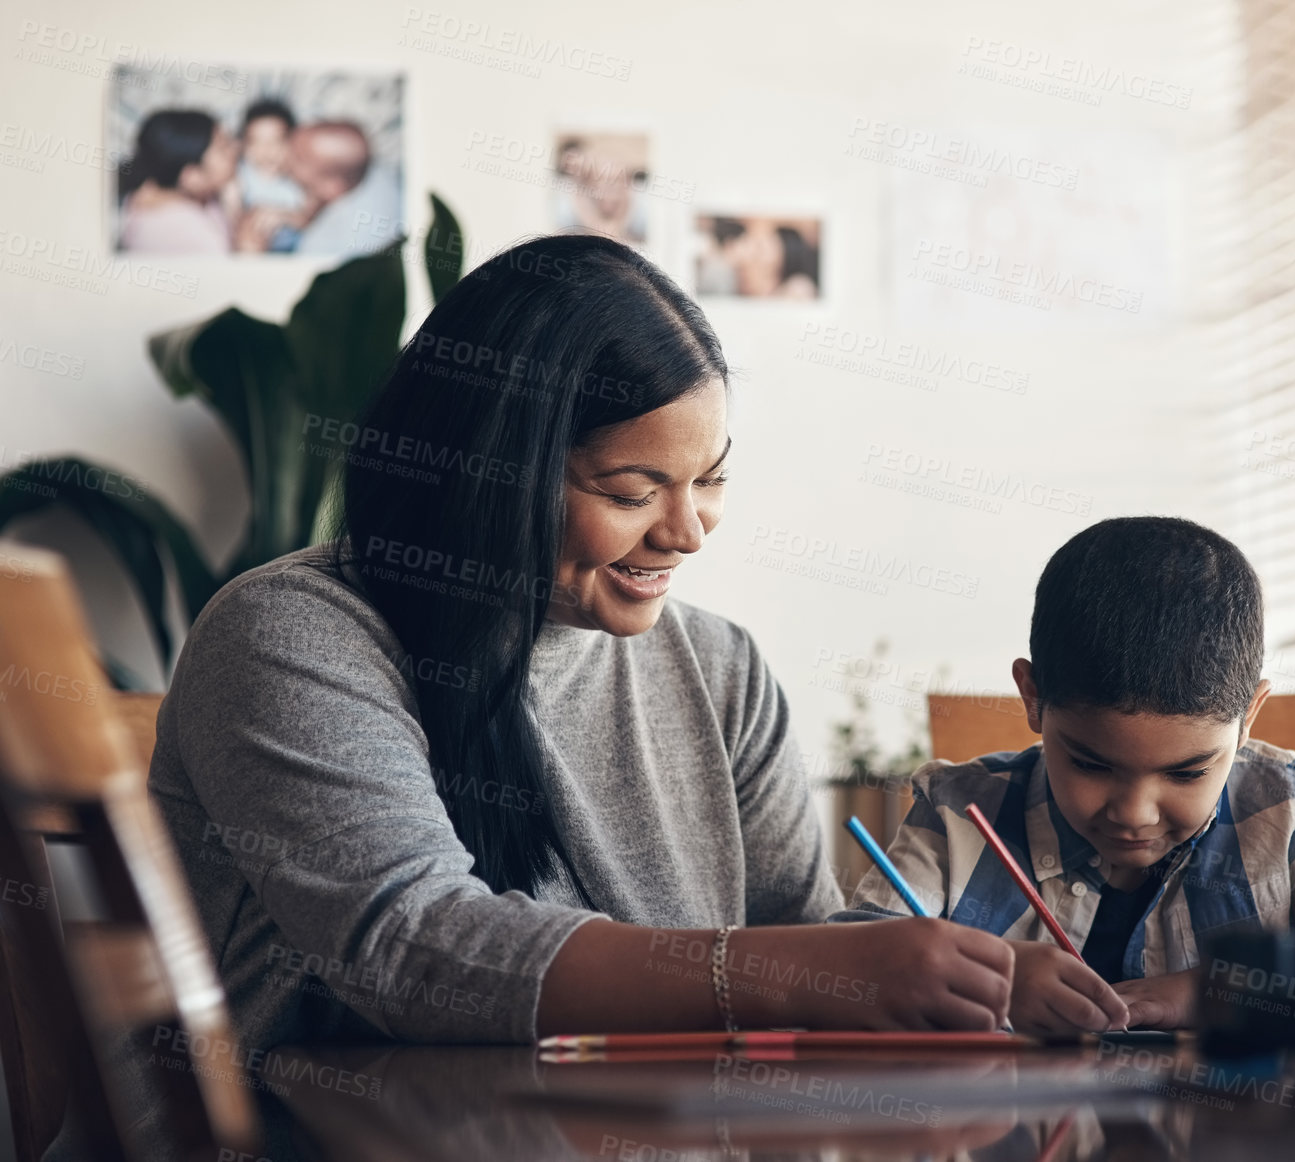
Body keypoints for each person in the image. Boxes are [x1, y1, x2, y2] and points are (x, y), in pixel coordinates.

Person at [146, 234, 1015, 1057]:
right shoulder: (292, 637)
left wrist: (964, 986)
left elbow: (805, 946)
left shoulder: (723, 675)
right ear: (491, 474)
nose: (688, 532)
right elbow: (410, 949)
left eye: (710, 481)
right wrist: (796, 975)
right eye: (635, 490)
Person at [834, 516, 1295, 1035]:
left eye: (1188, 771)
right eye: (1092, 763)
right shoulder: (956, 815)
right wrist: (991, 979)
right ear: (1033, 697)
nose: (1134, 812)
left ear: (1248, 718)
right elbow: (842, 979)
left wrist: (1227, 991)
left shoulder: (1283, 813)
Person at [115, 109, 238, 253]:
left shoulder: (154, 192)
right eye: (223, 148)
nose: (236, 147)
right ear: (192, 177)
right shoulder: (197, 237)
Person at [275, 120, 402, 256]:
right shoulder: (373, 171)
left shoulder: (320, 246)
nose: (285, 161)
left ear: (332, 188)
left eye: (299, 159)